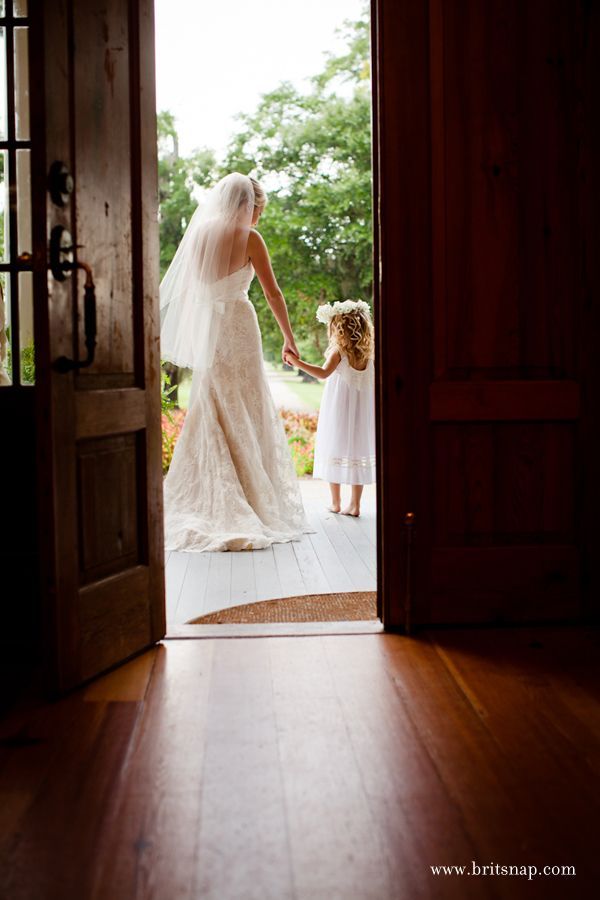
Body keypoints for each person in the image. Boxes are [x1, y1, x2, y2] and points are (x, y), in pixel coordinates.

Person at [160, 172, 309, 551]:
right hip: (240, 327)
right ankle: (252, 495)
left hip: (212, 329)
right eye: (257, 209)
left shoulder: (200, 237)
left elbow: (195, 290)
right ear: (249, 205)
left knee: (213, 401)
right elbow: (273, 294)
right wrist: (289, 339)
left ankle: (209, 491)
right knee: (247, 402)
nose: (257, 216)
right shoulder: (250, 238)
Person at [285, 299, 375, 517]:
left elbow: (323, 373)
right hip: (361, 411)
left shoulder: (339, 351)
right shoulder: (368, 353)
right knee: (356, 450)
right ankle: (355, 504)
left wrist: (296, 362)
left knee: (335, 446)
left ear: (339, 328)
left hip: (339, 408)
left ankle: (336, 502)